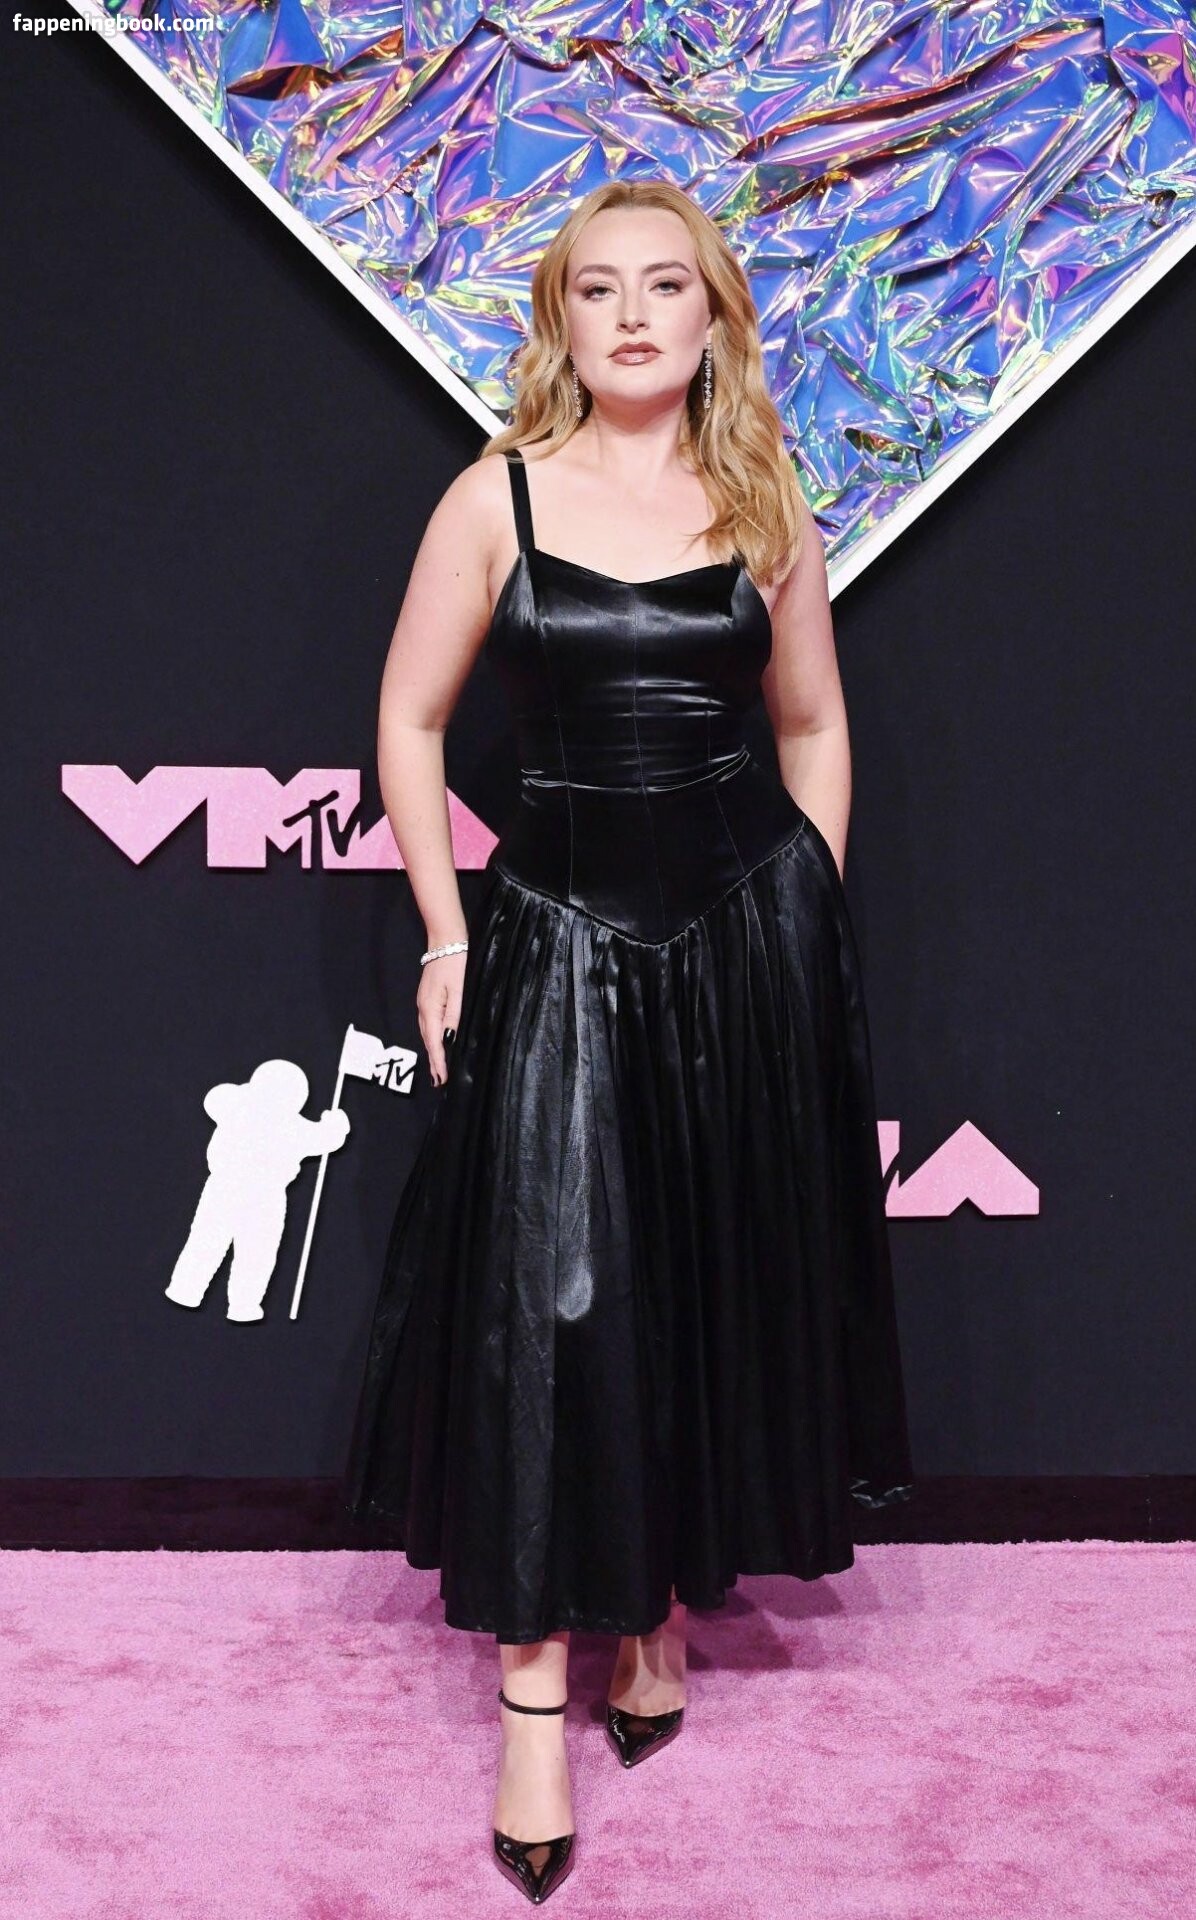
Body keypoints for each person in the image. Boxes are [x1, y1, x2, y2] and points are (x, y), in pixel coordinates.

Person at [342, 177, 914, 1904]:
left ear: (716, 316)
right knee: (552, 1303)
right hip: (559, 939)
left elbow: (813, 725)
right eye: (600, 290)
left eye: (670, 285)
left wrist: (802, 917)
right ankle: (536, 1706)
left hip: (743, 945)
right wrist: (450, 935)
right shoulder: (494, 498)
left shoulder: (765, 497)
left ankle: (656, 1614)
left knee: (698, 1276)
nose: (637, 315)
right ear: (561, 322)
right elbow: (410, 721)